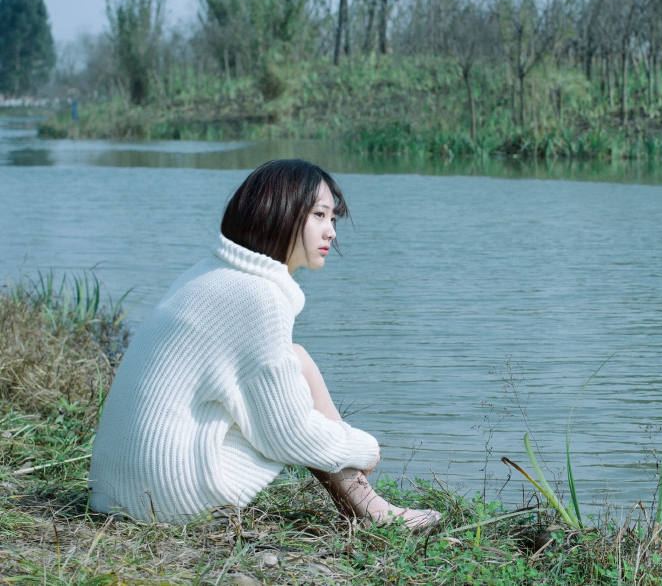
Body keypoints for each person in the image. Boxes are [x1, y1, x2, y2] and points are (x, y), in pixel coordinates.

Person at [88, 159, 440, 529]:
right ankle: (373, 511)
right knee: (294, 412)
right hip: (163, 498)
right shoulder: (258, 297)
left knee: (295, 361)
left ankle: (367, 507)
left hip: (114, 492)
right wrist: (362, 447)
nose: (331, 232)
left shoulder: (209, 272)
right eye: (319, 215)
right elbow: (289, 433)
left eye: (333, 218)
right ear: (281, 213)